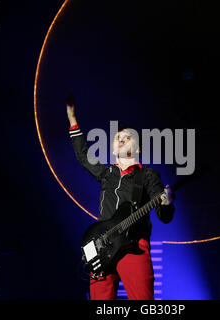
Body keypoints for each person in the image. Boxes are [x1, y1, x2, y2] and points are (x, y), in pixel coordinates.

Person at [66, 92, 174, 300]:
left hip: (133, 247)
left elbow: (164, 215)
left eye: (127, 137)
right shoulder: (107, 174)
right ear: (114, 147)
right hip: (100, 246)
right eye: (118, 138)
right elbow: (82, 156)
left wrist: (166, 202)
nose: (122, 139)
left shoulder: (148, 175)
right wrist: (72, 119)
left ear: (138, 147)